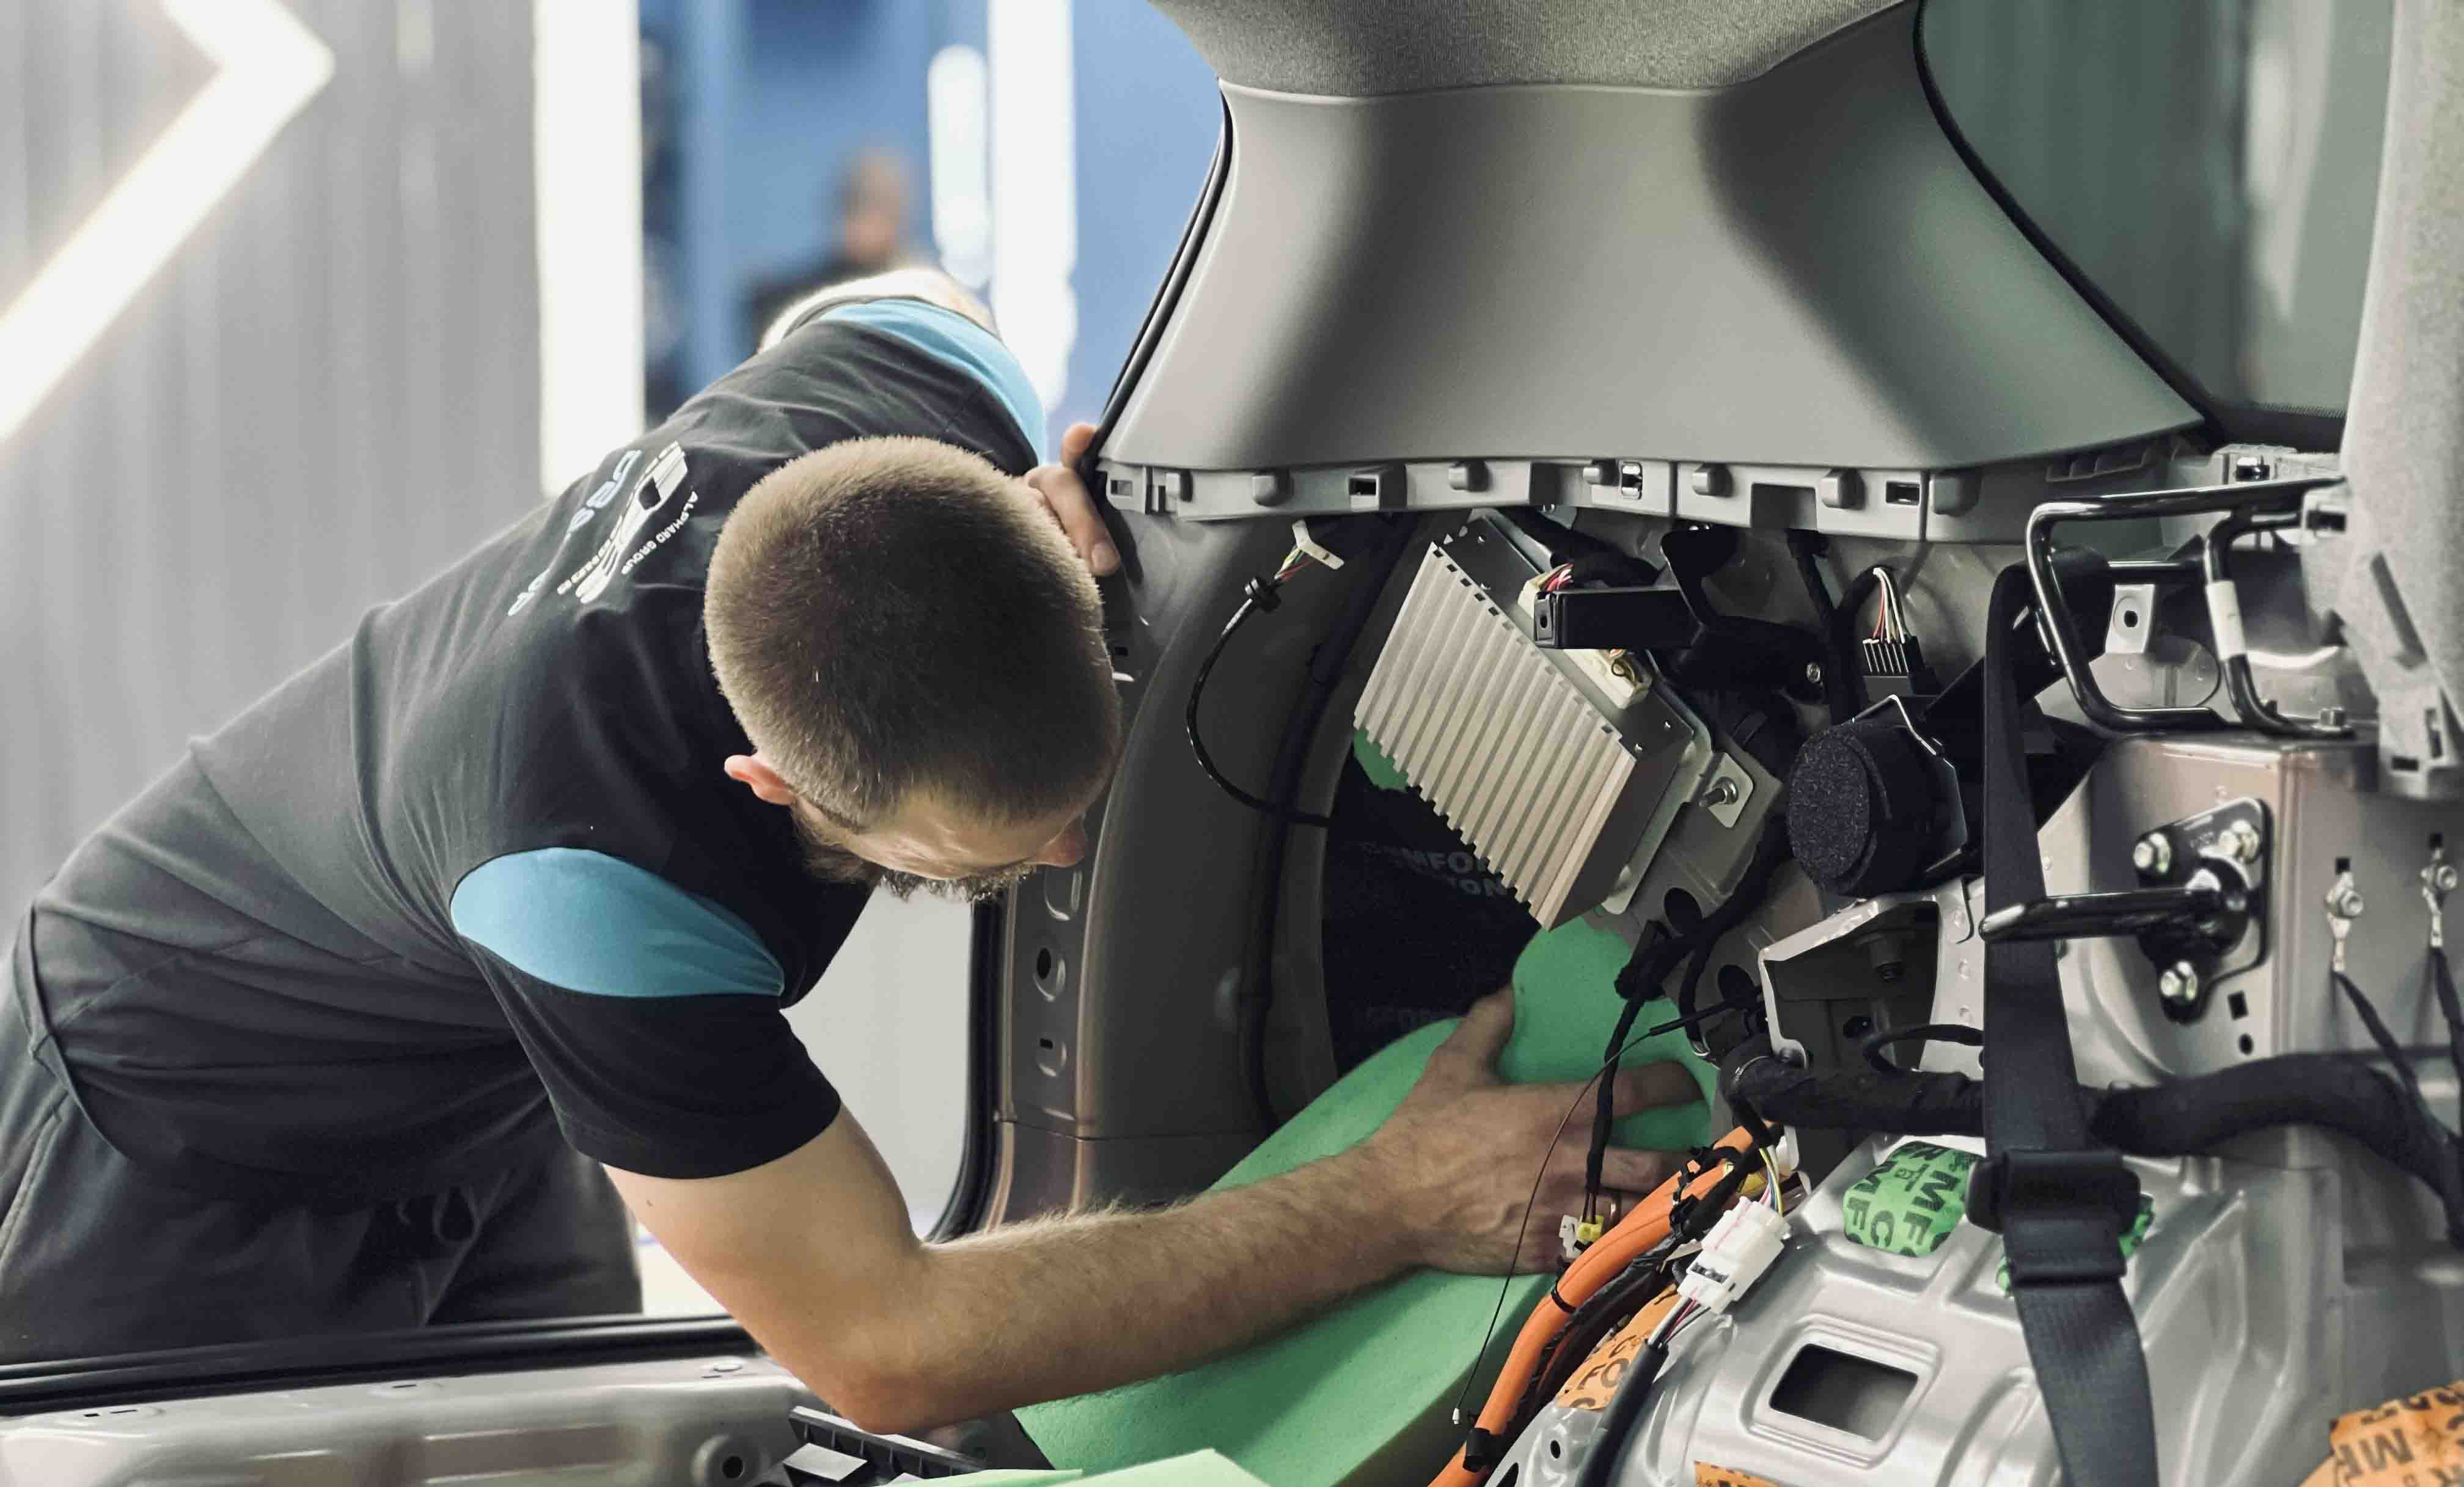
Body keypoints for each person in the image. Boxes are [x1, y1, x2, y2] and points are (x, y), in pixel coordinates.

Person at [0, 268, 1689, 1427]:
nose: (1069, 859)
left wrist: (1013, 481)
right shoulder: (600, 877)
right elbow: (885, 1346)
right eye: (975, 861)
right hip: (163, 1157)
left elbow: (903, 296)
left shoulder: (905, 391)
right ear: (768, 786)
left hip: (464, 1086)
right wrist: (1390, 1201)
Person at [742, 150, 915, 358]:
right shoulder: (783, 298)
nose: (869, 224)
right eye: (857, 205)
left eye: (881, 207)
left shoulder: (916, 292)